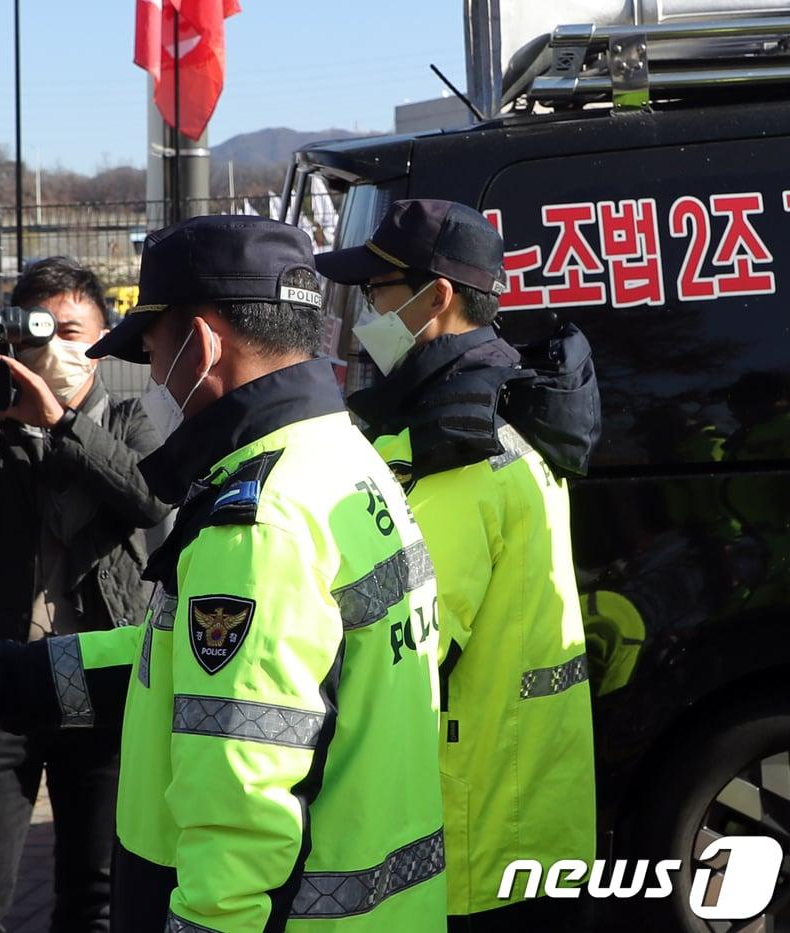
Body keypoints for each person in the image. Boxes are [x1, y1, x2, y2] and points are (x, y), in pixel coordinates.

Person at [0, 216, 449, 931]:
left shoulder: (259, 521)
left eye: (152, 349)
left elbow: (241, 819)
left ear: (203, 344)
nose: (153, 373)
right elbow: (180, 659)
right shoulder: (346, 459)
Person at [315, 198, 600, 932]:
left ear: (433, 298)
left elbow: (408, 647)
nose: (364, 315)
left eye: (376, 295)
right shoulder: (516, 404)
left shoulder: (454, 444)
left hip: (467, 826)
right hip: (528, 795)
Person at [0, 256, 170, 932]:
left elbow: (147, 501)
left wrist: (62, 420)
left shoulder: (134, 419)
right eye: (37, 334)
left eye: (71, 331)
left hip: (98, 678)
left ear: (104, 343)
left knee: (97, 890)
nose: (54, 349)